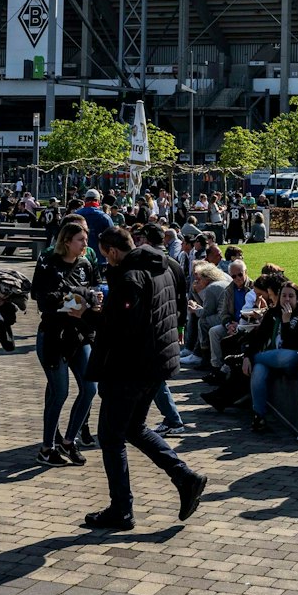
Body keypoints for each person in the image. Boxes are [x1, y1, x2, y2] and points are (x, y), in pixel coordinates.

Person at [73, 226, 208, 530]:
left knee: (110, 437)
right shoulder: (165, 265)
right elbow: (173, 310)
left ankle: (122, 509)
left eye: (106, 255)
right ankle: (185, 478)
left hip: (130, 367)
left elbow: (120, 325)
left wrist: (87, 314)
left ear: (112, 251)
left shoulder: (130, 275)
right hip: (156, 363)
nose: (106, 261)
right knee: (133, 428)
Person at [32, 217, 99, 467]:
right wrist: (74, 299)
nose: (85, 243)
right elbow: (43, 300)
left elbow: (93, 291)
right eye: (80, 239)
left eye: (85, 239)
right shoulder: (50, 263)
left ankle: (69, 440)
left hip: (80, 335)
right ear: (67, 241)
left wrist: (87, 299)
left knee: (90, 389)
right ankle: (47, 447)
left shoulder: (85, 263)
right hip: (53, 335)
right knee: (59, 392)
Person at [242, 282, 298, 436]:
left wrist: (287, 321)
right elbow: (258, 338)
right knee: (259, 369)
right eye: (284, 295)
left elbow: (292, 345)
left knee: (284, 355)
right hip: (270, 359)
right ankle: (259, 415)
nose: (287, 299)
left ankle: (256, 358)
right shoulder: (272, 314)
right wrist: (247, 357)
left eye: (291, 296)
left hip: (295, 360)